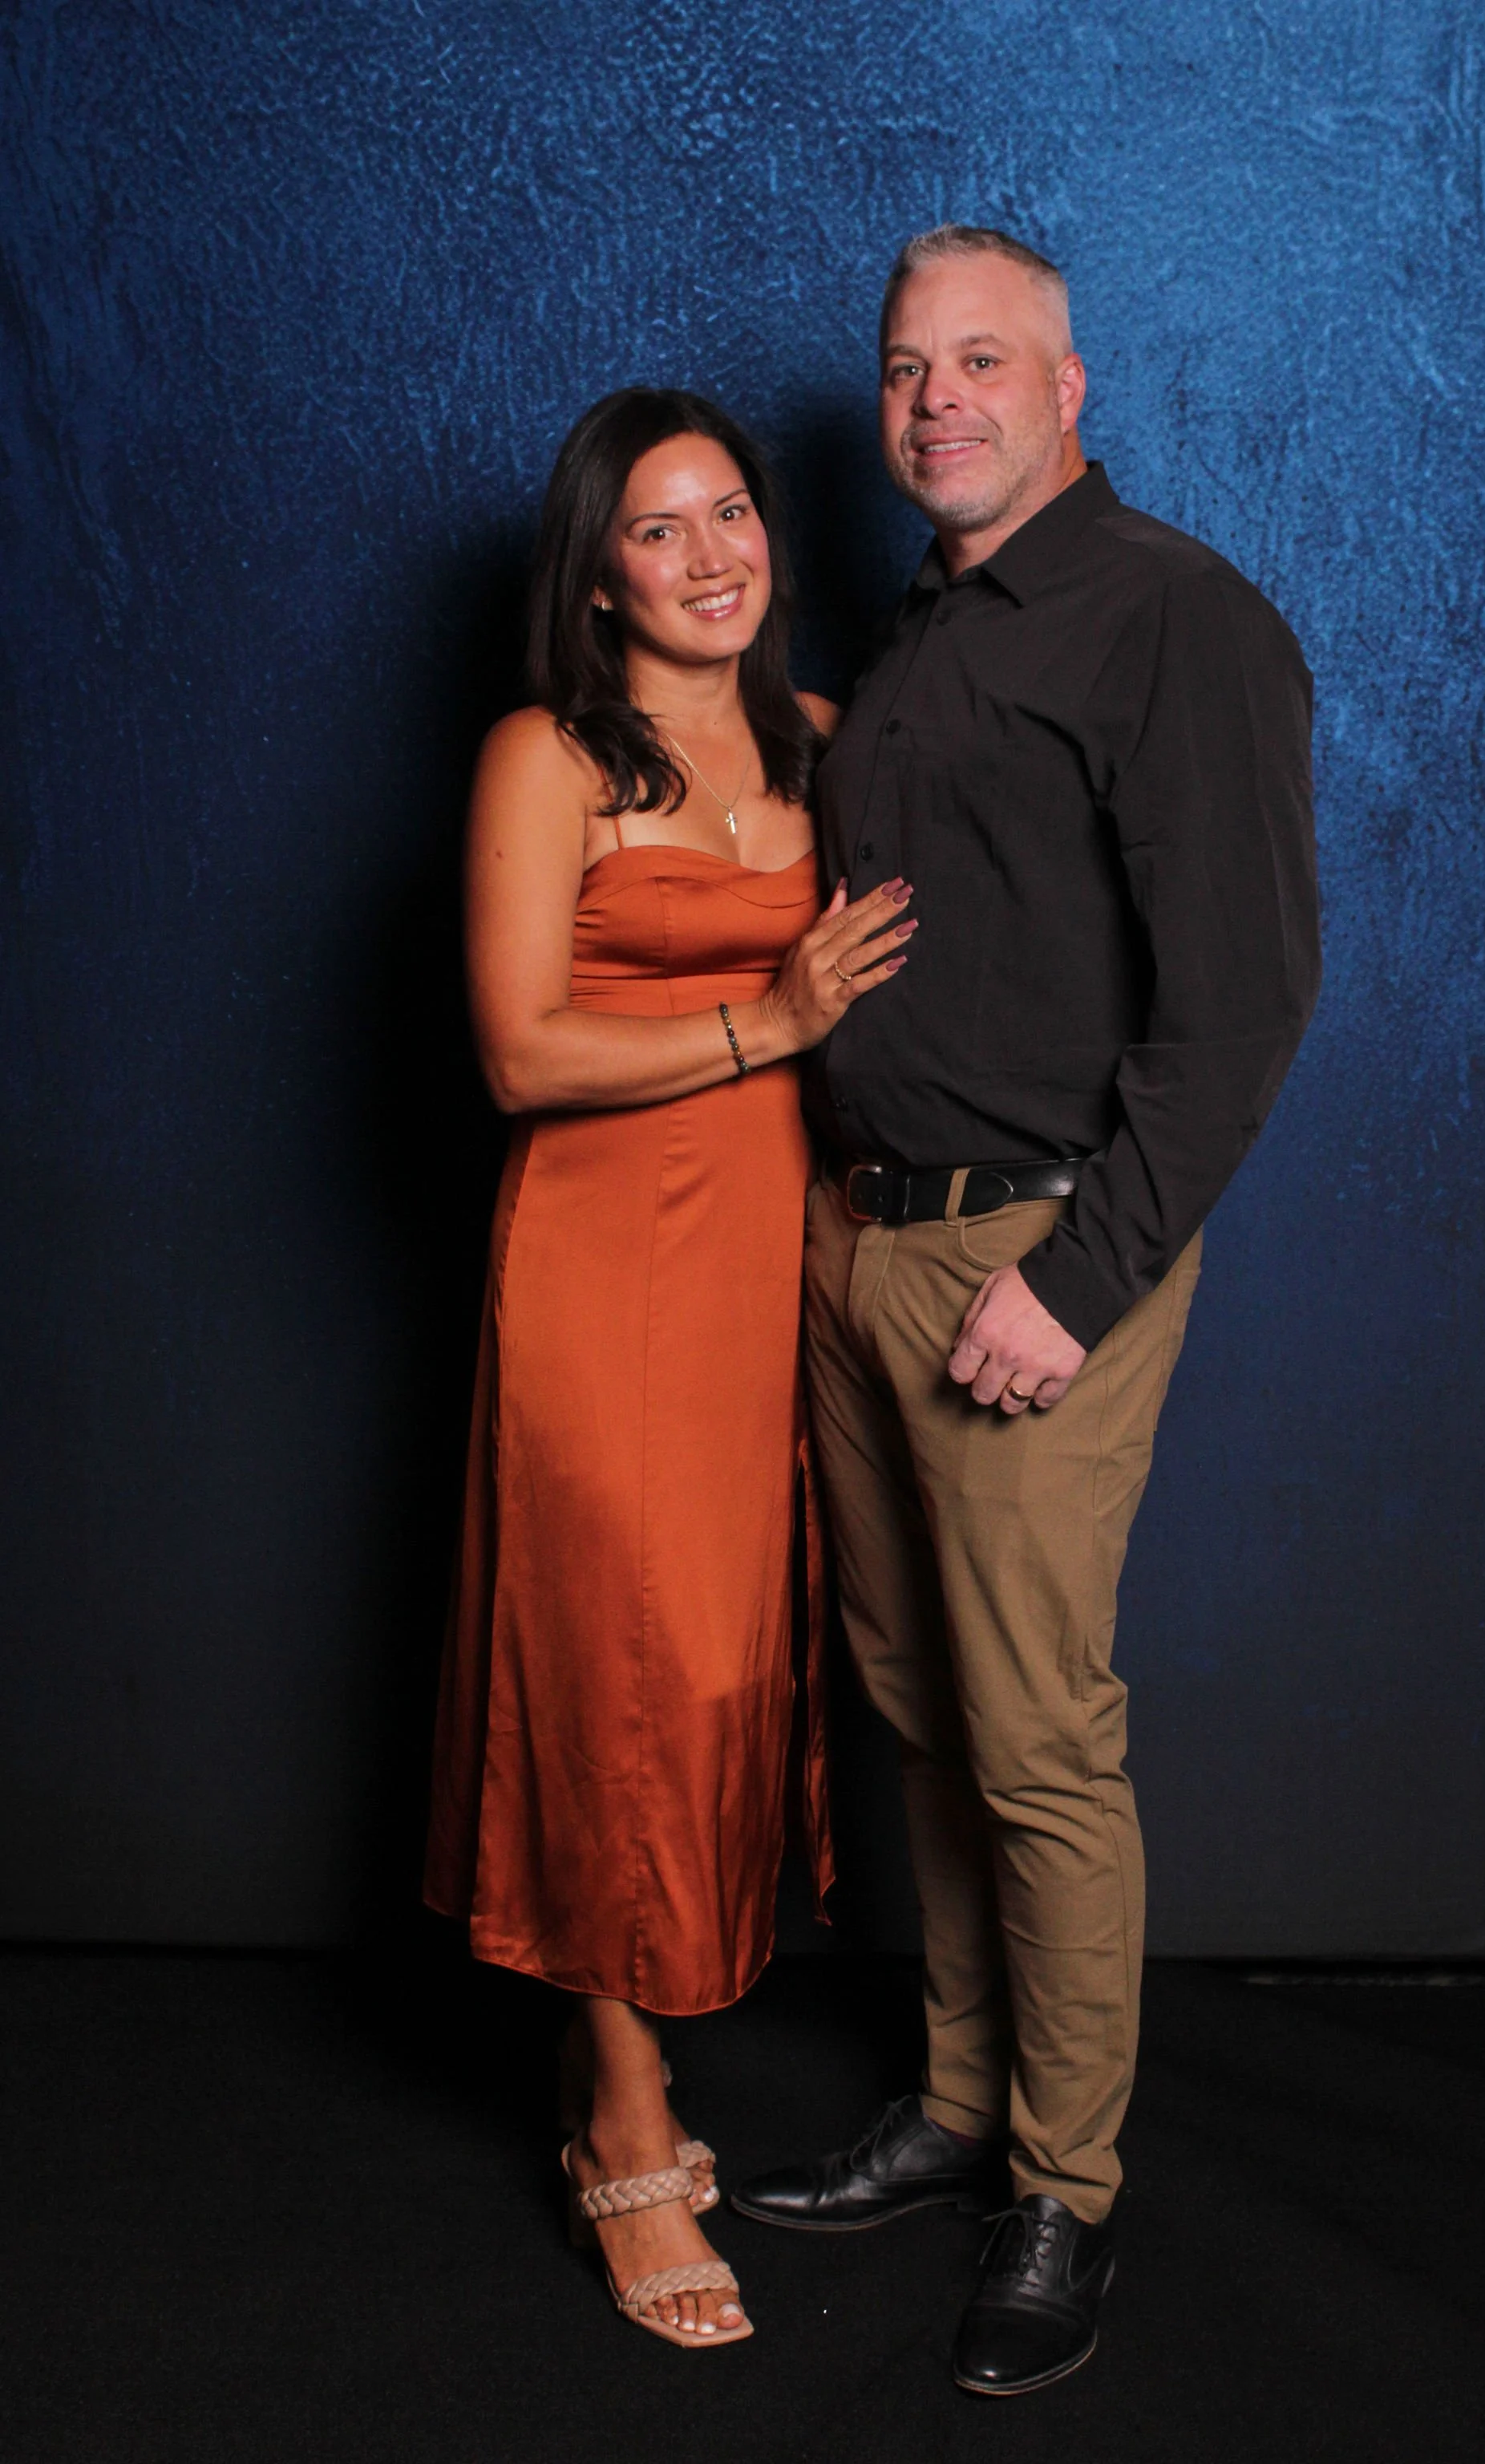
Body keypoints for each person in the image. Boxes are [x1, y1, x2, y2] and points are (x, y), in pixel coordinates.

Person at [732, 229, 1321, 2397]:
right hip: (869, 1240)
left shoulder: (1178, 619)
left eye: (983, 361)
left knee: (1040, 1739)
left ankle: (1061, 2191)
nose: (934, 400)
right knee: (924, 1705)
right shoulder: (933, 629)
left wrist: (1073, 1285)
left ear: (1077, 387)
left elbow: (1245, 1002)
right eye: (904, 369)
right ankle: (961, 2100)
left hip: (1037, 1264)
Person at [423, 387, 915, 2352]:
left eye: (732, 515)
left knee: (718, 1666)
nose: (711, 555)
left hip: (768, 1278)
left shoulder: (820, 743)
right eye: (658, 529)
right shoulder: (546, 758)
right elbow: (518, 1054)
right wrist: (763, 1019)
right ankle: (624, 2110)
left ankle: (607, 2040)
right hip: (599, 1269)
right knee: (611, 1670)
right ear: (596, 570)